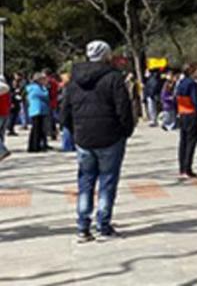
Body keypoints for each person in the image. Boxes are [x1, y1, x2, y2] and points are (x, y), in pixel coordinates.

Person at [61, 40, 134, 243]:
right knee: (107, 181)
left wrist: (75, 131)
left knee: (85, 181)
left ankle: (83, 226)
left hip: (84, 138)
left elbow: (64, 111)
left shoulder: (73, 80)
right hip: (110, 137)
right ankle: (103, 224)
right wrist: (125, 131)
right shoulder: (114, 77)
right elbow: (124, 108)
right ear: (107, 55)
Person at [176, 63, 197, 178]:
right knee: (191, 141)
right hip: (191, 113)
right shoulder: (192, 83)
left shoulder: (180, 83)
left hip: (182, 112)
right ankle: (188, 168)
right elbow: (195, 100)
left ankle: (182, 168)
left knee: (183, 141)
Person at [26, 72, 50, 152]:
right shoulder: (35, 88)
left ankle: (37, 145)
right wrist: (46, 88)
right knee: (36, 129)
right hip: (37, 110)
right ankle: (35, 146)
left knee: (38, 129)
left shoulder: (39, 87)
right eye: (43, 79)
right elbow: (45, 95)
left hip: (40, 110)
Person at [0, 75, 11, 161]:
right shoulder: (6, 90)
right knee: (1, 134)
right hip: (5, 113)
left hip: (1, 113)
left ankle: (2, 150)